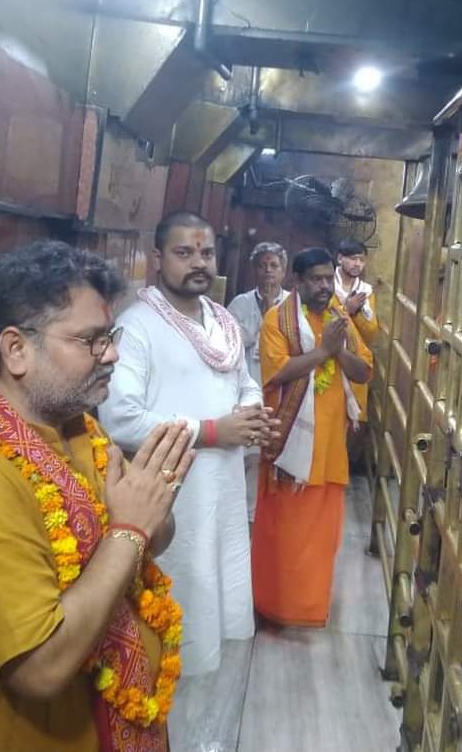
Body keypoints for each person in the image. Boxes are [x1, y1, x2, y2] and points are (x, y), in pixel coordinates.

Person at [0, 240, 194, 752]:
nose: (112, 355)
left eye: (110, 337)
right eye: (91, 340)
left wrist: (143, 515)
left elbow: (152, 532)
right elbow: (42, 668)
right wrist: (128, 530)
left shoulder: (78, 429)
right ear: (16, 350)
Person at [99, 211, 274, 678]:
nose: (199, 262)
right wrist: (213, 431)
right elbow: (119, 417)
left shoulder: (222, 322)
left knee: (213, 599)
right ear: (157, 258)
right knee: (174, 614)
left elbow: (245, 382)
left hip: (223, 491)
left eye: (207, 253)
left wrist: (251, 415)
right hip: (173, 498)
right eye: (184, 252)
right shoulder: (137, 326)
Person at [252, 247, 373, 627]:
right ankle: (273, 607)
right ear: (297, 281)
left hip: (330, 448)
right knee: (283, 536)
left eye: (327, 278)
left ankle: (309, 609)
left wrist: (337, 352)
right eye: (316, 279)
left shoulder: (339, 317)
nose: (324, 286)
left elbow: (363, 371)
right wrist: (324, 351)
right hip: (289, 446)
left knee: (321, 540)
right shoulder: (277, 320)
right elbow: (278, 372)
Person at [227, 241, 290, 522]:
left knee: (268, 455)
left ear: (284, 271)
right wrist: (263, 318)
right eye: (262, 265)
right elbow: (231, 343)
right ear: (254, 270)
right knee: (245, 454)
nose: (268, 271)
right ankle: (239, 516)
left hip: (279, 389)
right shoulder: (240, 304)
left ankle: (260, 518)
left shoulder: (291, 305)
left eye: (274, 265)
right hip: (244, 388)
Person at [334, 240, 379, 428]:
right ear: (340, 258)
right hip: (329, 359)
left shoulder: (365, 292)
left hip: (354, 361)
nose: (357, 264)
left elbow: (371, 333)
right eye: (353, 258)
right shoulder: (327, 286)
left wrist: (356, 312)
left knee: (351, 426)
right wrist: (346, 308)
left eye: (362, 260)